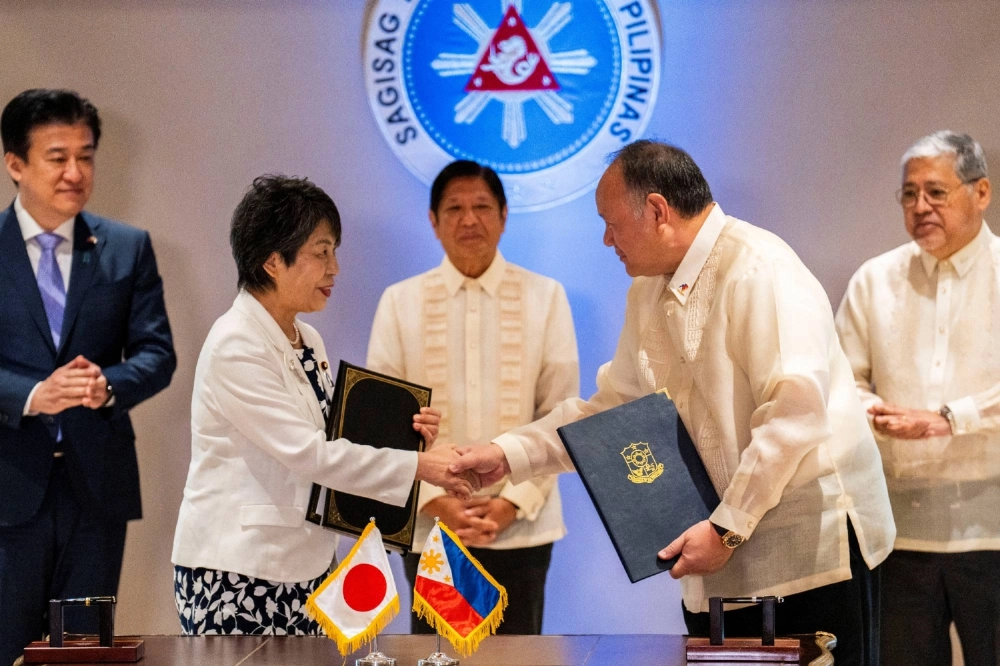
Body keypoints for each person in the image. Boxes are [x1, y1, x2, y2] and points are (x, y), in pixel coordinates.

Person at [450, 140, 895, 665]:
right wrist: (508, 455)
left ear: (658, 210)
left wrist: (727, 528)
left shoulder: (759, 267)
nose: (606, 239)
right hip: (720, 553)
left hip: (809, 553)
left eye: (611, 223)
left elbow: (793, 413)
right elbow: (612, 414)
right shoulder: (647, 290)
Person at [171, 174, 474, 635]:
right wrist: (418, 466)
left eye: (334, 251)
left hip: (306, 565)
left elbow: (338, 435)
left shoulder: (306, 338)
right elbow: (311, 454)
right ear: (273, 261)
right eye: (321, 252)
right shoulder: (236, 344)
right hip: (238, 571)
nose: (335, 269)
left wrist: (408, 434)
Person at [0, 89, 176, 664]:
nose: (76, 172)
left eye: (87, 155)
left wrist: (109, 387)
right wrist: (30, 394)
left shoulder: (127, 248)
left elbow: (157, 354)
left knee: (82, 654)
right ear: (15, 164)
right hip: (8, 487)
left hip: (96, 489)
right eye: (57, 157)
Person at [367, 160, 579, 635]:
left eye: (482, 206)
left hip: (522, 525)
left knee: (518, 660)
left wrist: (510, 504)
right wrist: (436, 501)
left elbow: (560, 413)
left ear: (504, 215)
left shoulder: (545, 297)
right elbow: (381, 424)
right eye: (455, 208)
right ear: (433, 220)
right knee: (437, 657)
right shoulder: (400, 302)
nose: (469, 220)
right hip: (433, 528)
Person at [835, 131, 999, 666]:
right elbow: (840, 381)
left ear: (981, 193)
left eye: (936, 192)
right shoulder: (874, 280)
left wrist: (950, 419)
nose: (920, 206)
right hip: (898, 534)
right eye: (909, 194)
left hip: (993, 531)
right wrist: (871, 412)